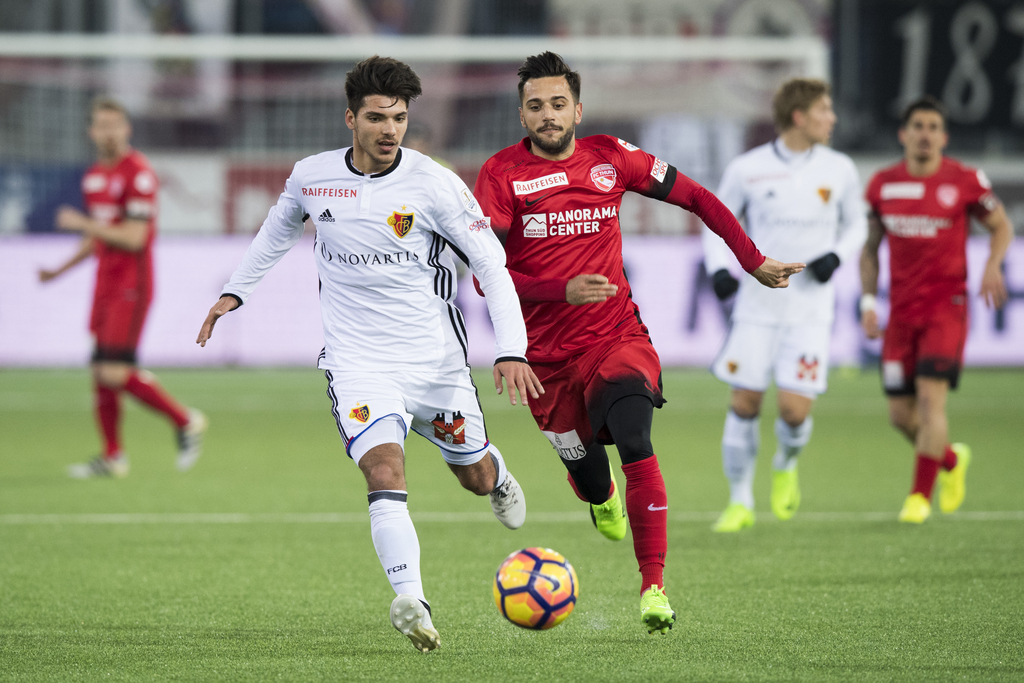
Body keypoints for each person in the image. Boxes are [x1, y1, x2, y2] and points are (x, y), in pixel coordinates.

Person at [196, 56, 542, 653]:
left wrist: (511, 348)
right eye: (378, 118)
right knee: (383, 470)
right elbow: (278, 230)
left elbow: (490, 262)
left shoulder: (435, 184)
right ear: (350, 118)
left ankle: (495, 471)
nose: (390, 130)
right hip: (357, 363)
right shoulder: (313, 177)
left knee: (473, 474)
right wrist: (235, 291)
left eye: (400, 119)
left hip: (436, 365)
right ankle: (413, 600)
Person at [473, 52, 803, 634]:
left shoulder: (612, 158)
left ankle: (653, 586)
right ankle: (599, 498)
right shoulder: (501, 176)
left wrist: (751, 260)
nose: (548, 115)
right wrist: (559, 289)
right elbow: (484, 274)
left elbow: (698, 197)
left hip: (615, 337)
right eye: (535, 107)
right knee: (592, 477)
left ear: (578, 107)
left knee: (635, 438)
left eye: (557, 104)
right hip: (544, 360)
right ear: (521, 117)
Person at [702, 79, 867, 532]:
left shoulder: (840, 169)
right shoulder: (748, 168)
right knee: (745, 401)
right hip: (757, 307)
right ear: (800, 116)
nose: (832, 119)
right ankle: (739, 501)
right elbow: (715, 221)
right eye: (824, 110)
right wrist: (719, 268)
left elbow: (857, 226)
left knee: (795, 412)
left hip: (810, 310)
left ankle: (786, 464)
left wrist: (836, 255)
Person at [860, 96, 1012, 524]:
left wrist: (992, 265)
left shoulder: (964, 180)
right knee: (900, 416)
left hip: (947, 308)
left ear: (943, 137)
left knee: (930, 404)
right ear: (903, 134)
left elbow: (1001, 225)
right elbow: (869, 250)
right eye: (918, 126)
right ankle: (949, 460)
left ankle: (918, 499)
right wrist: (869, 301)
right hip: (901, 314)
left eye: (933, 127)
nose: (925, 134)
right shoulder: (882, 185)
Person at [39, 96, 206, 479]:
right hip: (105, 283)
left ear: (127, 129)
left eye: (116, 124)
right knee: (100, 370)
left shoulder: (139, 174)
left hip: (132, 283)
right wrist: (58, 270)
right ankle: (113, 457)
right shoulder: (94, 175)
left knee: (113, 371)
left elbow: (133, 237)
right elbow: (99, 237)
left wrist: (83, 224)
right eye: (102, 125)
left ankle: (185, 420)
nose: (109, 132)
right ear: (91, 131)